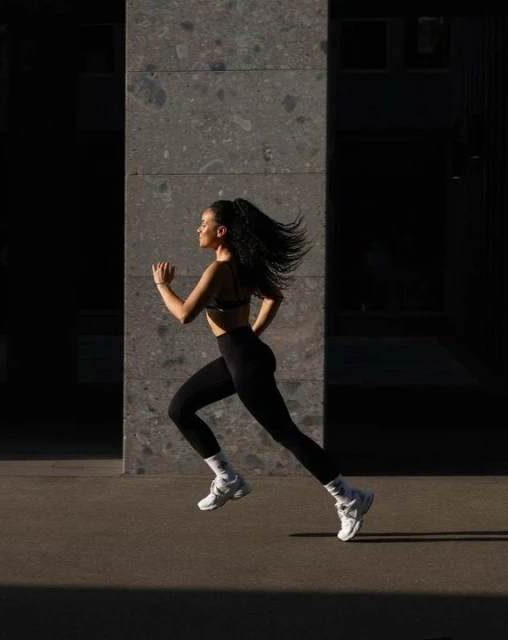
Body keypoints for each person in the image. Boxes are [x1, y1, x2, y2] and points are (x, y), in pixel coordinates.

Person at [151, 197, 374, 542]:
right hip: (240, 356)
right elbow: (273, 297)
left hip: (245, 361)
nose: (199, 229)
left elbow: (183, 314)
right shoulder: (241, 265)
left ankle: (348, 497)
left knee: (286, 435)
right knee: (180, 408)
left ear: (220, 231)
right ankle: (227, 478)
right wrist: (251, 334)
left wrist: (163, 285)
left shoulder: (220, 269)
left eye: (204, 223)